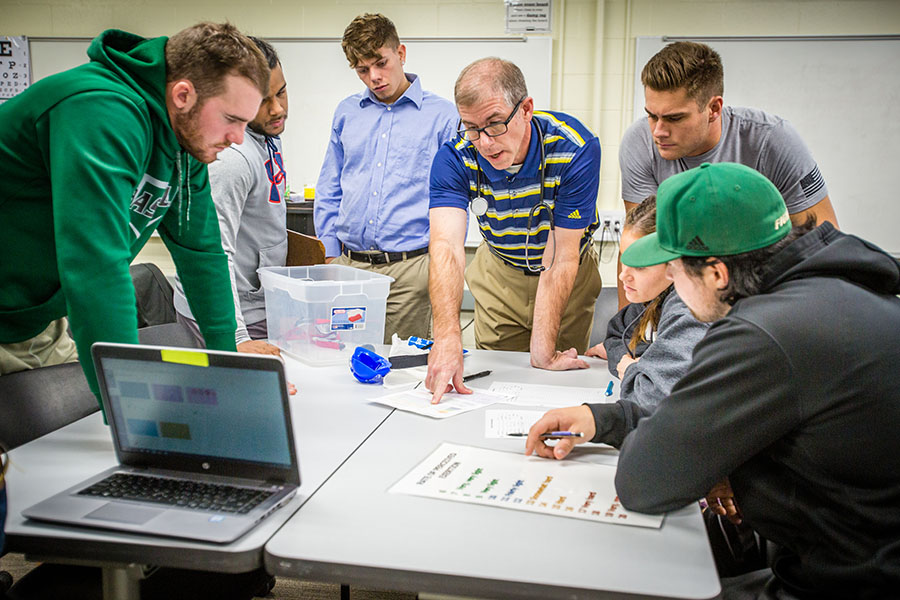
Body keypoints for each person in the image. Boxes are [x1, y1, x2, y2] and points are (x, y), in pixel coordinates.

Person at [527, 162, 900, 599]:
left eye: (674, 272)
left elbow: (644, 482)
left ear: (717, 274)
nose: (672, 286)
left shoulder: (764, 333)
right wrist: (604, 418)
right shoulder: (838, 292)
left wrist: (720, 463)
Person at [0, 23, 269, 403]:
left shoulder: (186, 143)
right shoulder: (99, 110)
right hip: (18, 309)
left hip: (34, 324)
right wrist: (130, 402)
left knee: (77, 441)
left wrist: (229, 368)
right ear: (182, 94)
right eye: (232, 120)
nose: (239, 138)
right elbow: (96, 268)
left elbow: (203, 254)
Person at [426, 57, 603, 404]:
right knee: (496, 381)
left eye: (494, 125)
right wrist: (446, 337)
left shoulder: (574, 148)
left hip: (567, 270)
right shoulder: (455, 156)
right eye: (471, 128)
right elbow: (446, 246)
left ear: (526, 109)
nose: (485, 143)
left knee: (555, 384)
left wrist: (544, 353)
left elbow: (562, 256)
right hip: (500, 272)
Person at [617, 41, 839, 306]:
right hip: (690, 296)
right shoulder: (639, 144)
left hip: (768, 290)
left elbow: (822, 243)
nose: (658, 131)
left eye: (675, 118)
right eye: (652, 116)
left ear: (713, 108)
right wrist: (627, 339)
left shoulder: (773, 140)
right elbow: (639, 252)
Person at [314, 13, 458, 343]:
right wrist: (330, 254)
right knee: (344, 363)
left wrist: (439, 262)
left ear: (401, 53)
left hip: (410, 272)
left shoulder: (442, 117)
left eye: (381, 63)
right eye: (363, 70)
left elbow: (454, 196)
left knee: (402, 371)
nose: (375, 77)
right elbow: (330, 185)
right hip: (350, 266)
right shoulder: (347, 112)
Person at [172, 36, 288, 356]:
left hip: (256, 305)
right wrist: (236, 337)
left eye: (281, 92)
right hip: (229, 317)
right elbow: (215, 249)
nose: (277, 108)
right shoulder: (232, 159)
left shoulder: (266, 136)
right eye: (264, 100)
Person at [585, 196, 708, 410]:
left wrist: (632, 368)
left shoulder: (690, 310)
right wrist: (637, 362)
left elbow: (653, 399)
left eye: (639, 266)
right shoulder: (654, 296)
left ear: (675, 263)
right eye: (624, 259)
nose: (624, 276)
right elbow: (615, 336)